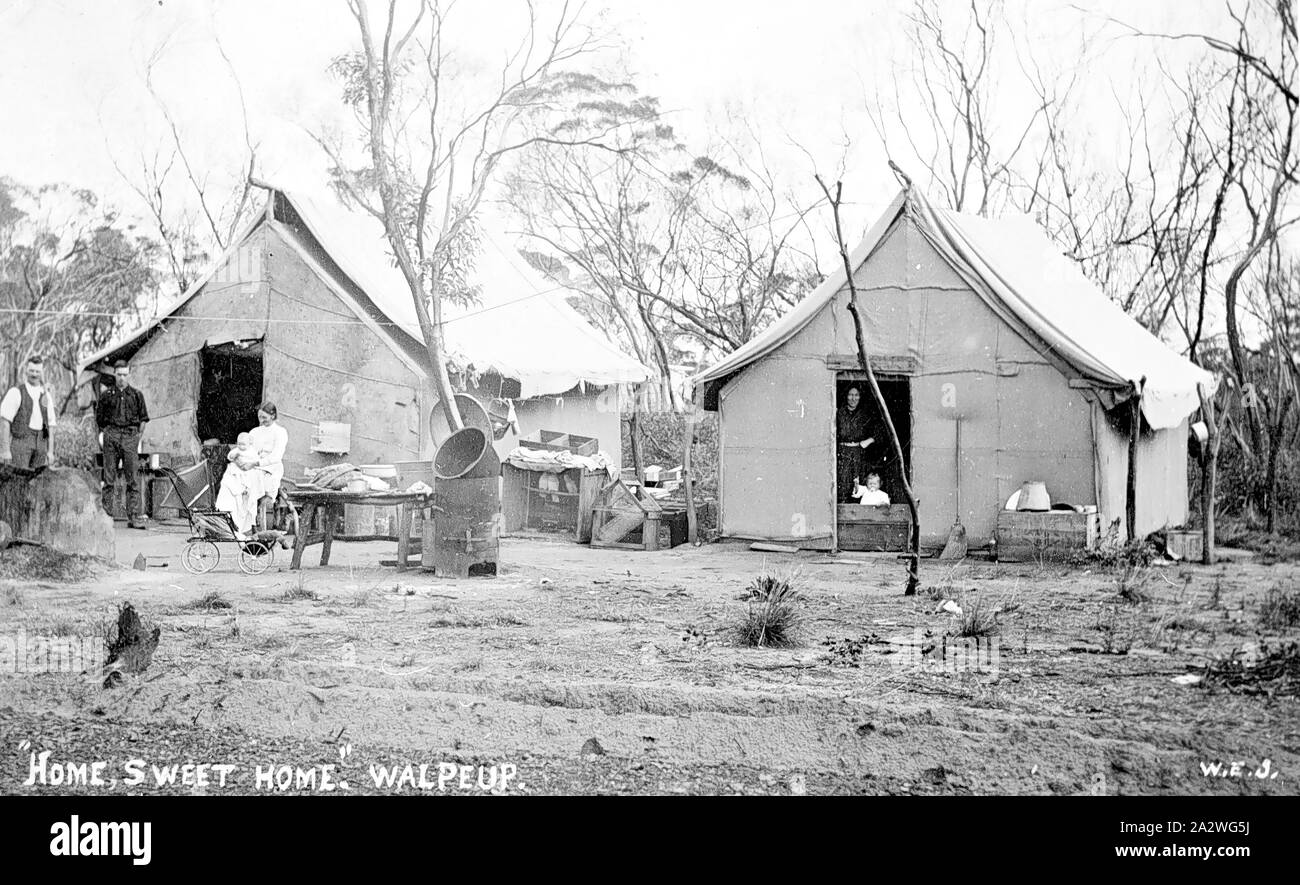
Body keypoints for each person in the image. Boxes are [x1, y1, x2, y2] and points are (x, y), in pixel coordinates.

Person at [215, 402, 288, 536]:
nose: (261, 420)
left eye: (264, 417)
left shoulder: (280, 432)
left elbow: (276, 457)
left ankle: (248, 523)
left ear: (273, 416)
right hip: (249, 465)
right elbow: (244, 449)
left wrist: (254, 463)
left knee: (251, 480)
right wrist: (239, 461)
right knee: (230, 476)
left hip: (269, 467)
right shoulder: (254, 432)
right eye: (259, 417)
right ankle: (230, 519)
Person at [96, 360, 150, 529]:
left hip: (130, 437)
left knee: (132, 479)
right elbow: (99, 420)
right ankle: (106, 517)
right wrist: (108, 434)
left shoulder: (136, 395)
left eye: (125, 374)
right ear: (114, 374)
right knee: (109, 478)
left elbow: (143, 419)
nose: (121, 378)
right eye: (119, 374)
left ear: (129, 374)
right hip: (111, 435)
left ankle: (133, 517)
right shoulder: (106, 396)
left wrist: (136, 438)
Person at [0, 356, 57, 470]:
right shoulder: (16, 392)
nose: (34, 374)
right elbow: (4, 422)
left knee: (38, 483)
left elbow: (51, 426)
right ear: (26, 370)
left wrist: (50, 452)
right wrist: (5, 450)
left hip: (41, 444)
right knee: (18, 480)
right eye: (31, 370)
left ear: (42, 372)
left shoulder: (46, 396)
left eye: (37, 371)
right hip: (21, 443)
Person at [836, 386, 875, 503]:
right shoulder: (839, 412)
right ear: (846, 396)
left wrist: (868, 441)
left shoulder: (864, 414)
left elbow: (879, 432)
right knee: (842, 480)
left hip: (858, 451)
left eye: (856, 395)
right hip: (842, 451)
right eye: (850, 395)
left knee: (858, 480)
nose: (853, 398)